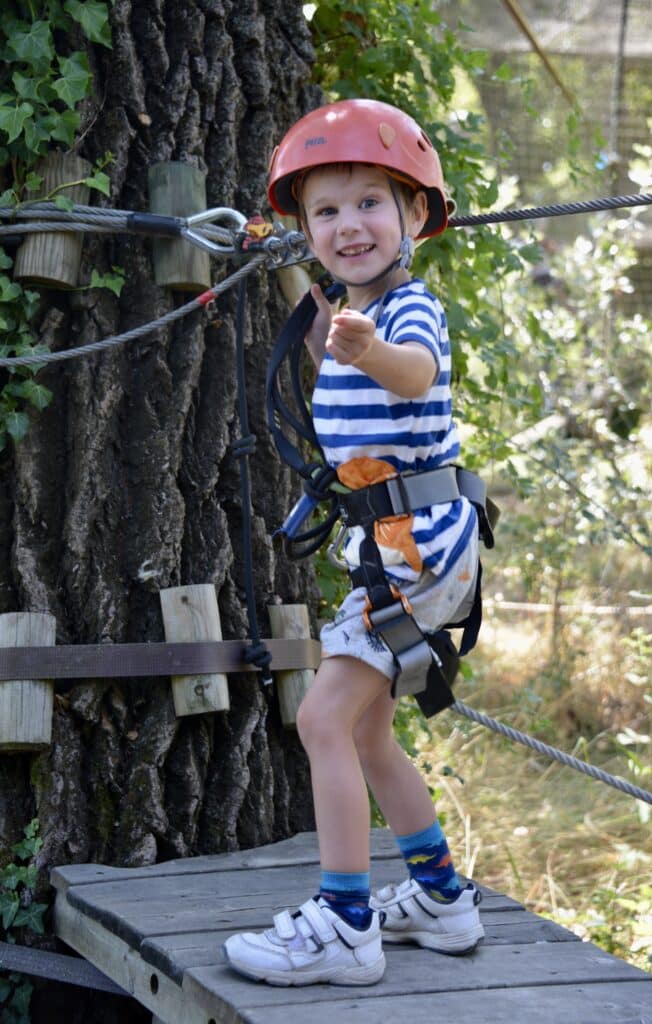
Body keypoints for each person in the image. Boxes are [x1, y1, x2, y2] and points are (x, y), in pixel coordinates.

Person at [224, 98, 484, 987]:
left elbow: (409, 372)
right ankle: (443, 898)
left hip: (421, 549)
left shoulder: (408, 315)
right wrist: (279, 270)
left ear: (417, 215)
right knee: (368, 737)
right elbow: (330, 334)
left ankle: (344, 923)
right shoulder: (355, 312)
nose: (348, 225)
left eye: (370, 201)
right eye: (324, 212)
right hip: (398, 550)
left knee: (320, 717)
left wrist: (371, 350)